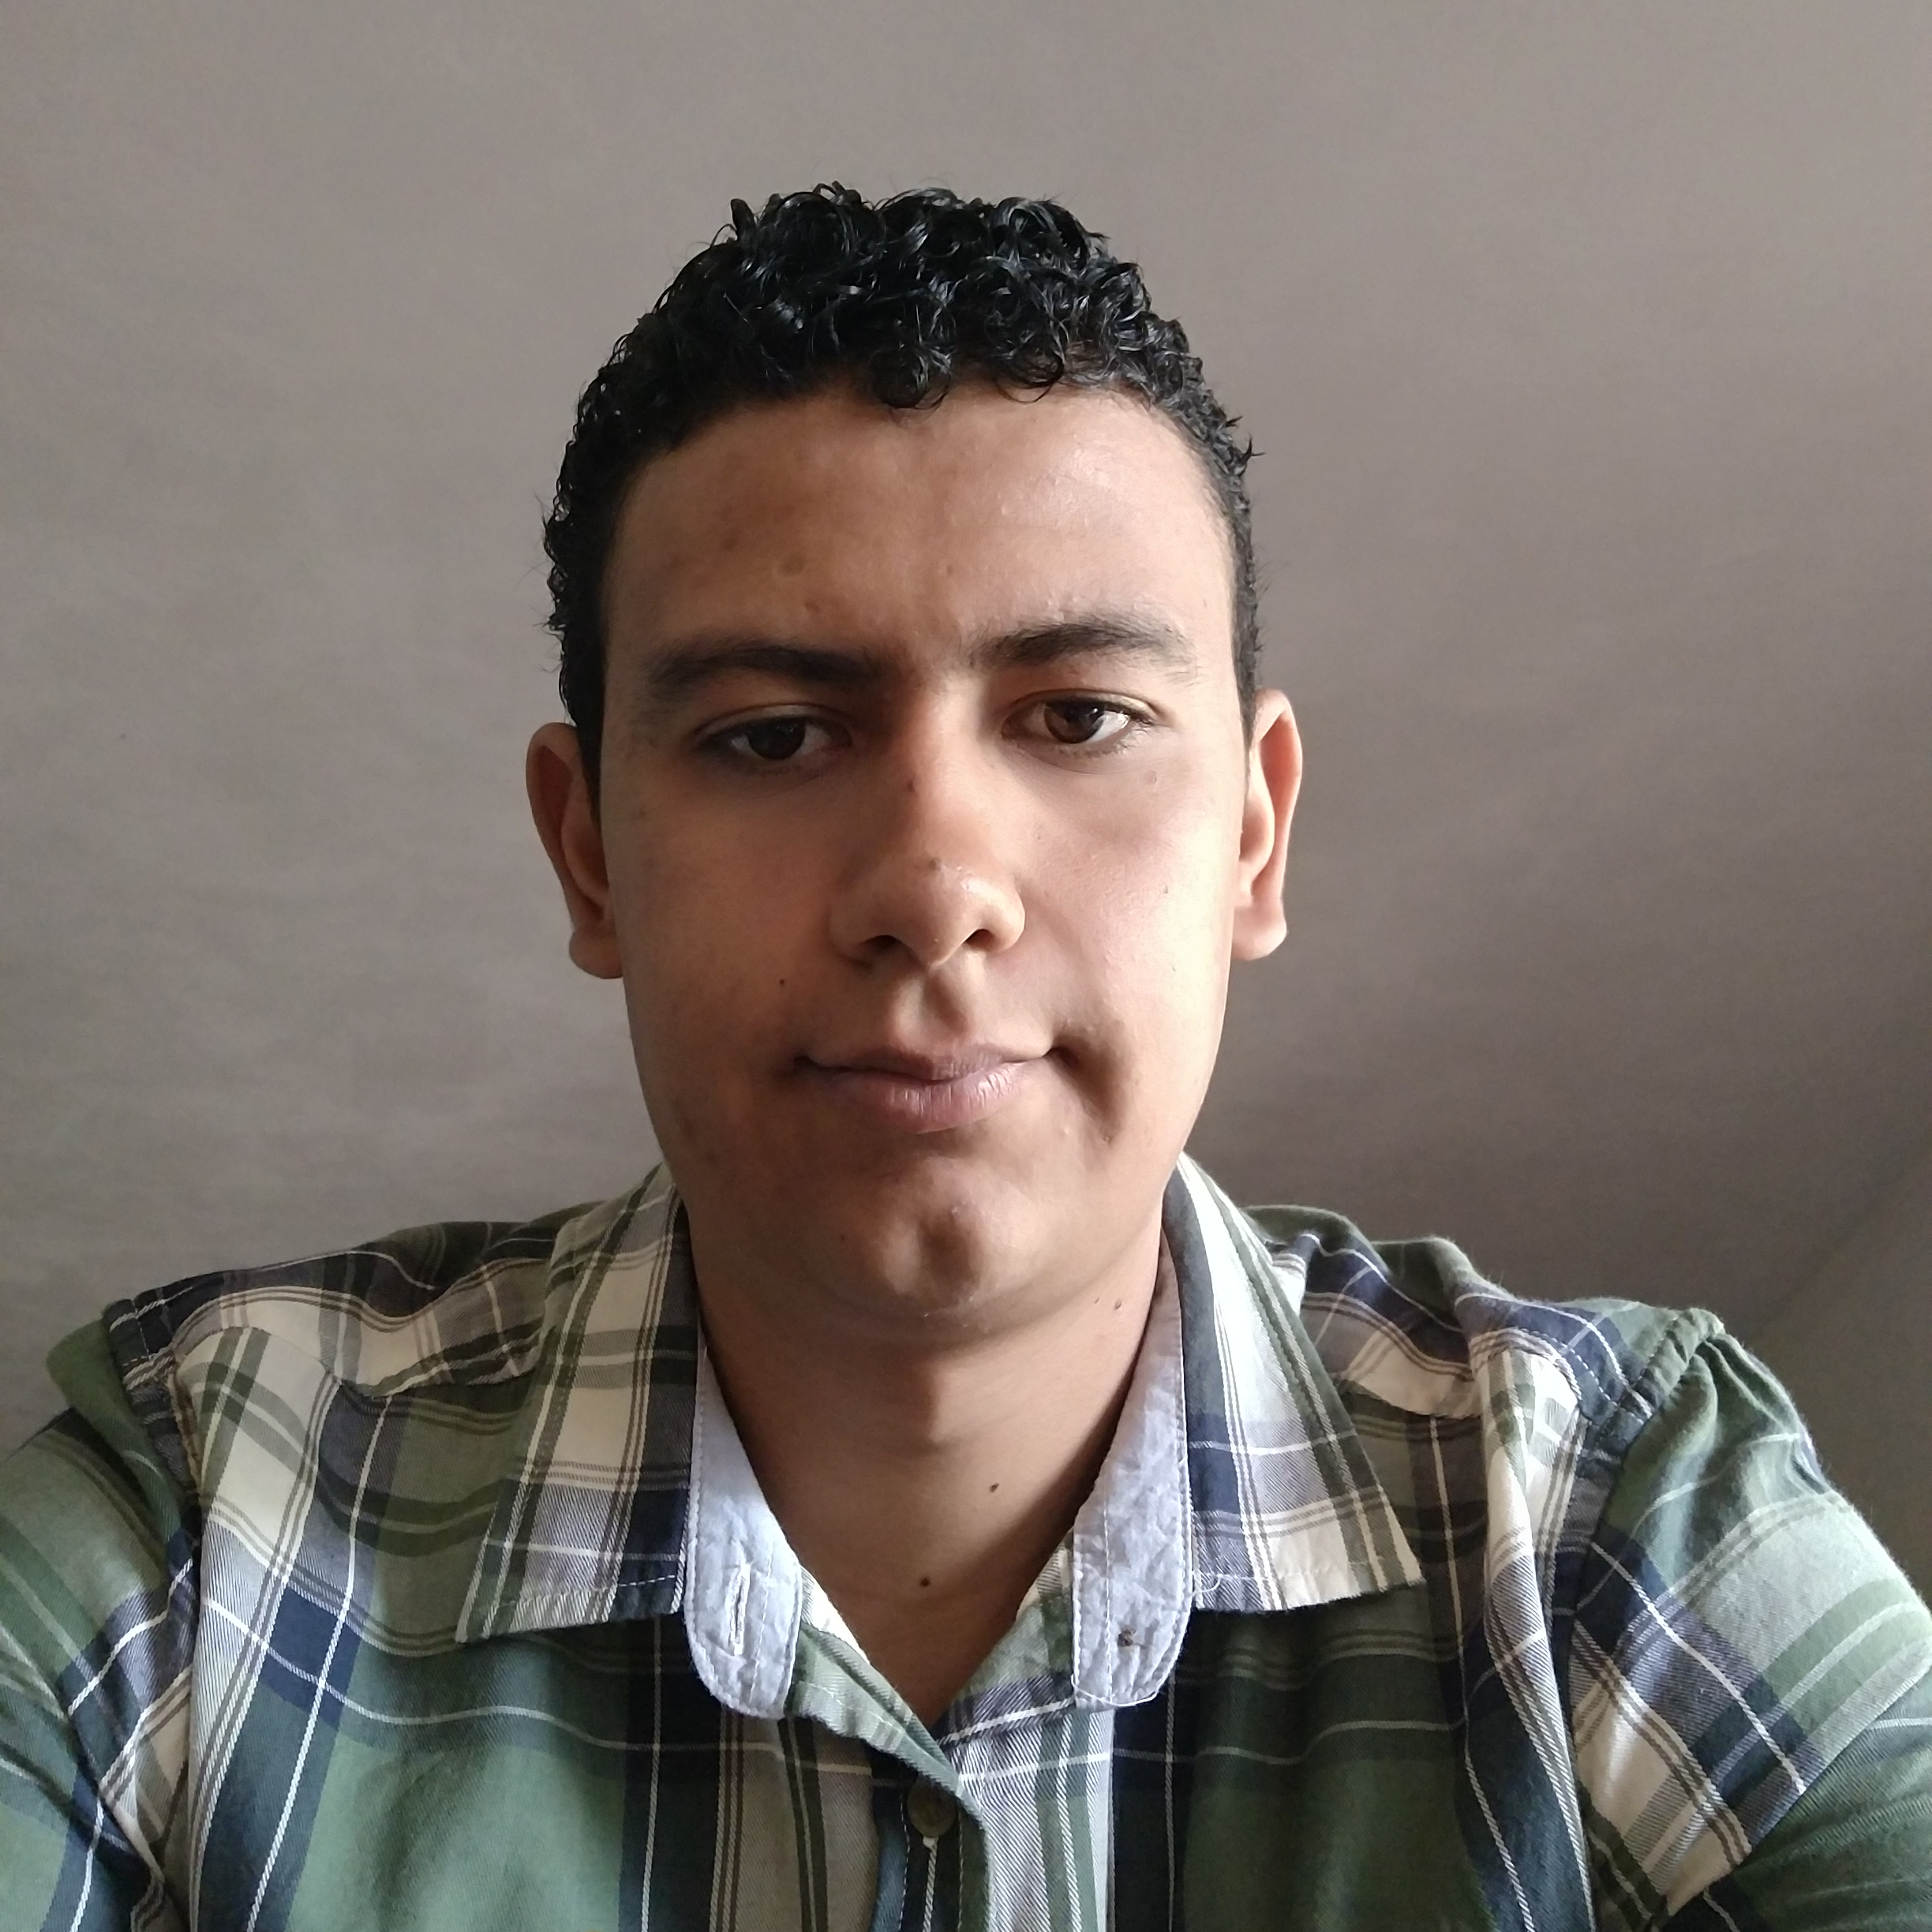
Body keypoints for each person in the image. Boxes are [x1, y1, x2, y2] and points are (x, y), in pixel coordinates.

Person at [1, 185, 1926, 1932]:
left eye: (1077, 718)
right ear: (588, 855)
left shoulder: (1617, 1523)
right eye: (772, 735)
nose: (935, 891)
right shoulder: (197, 1517)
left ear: (1254, 837)